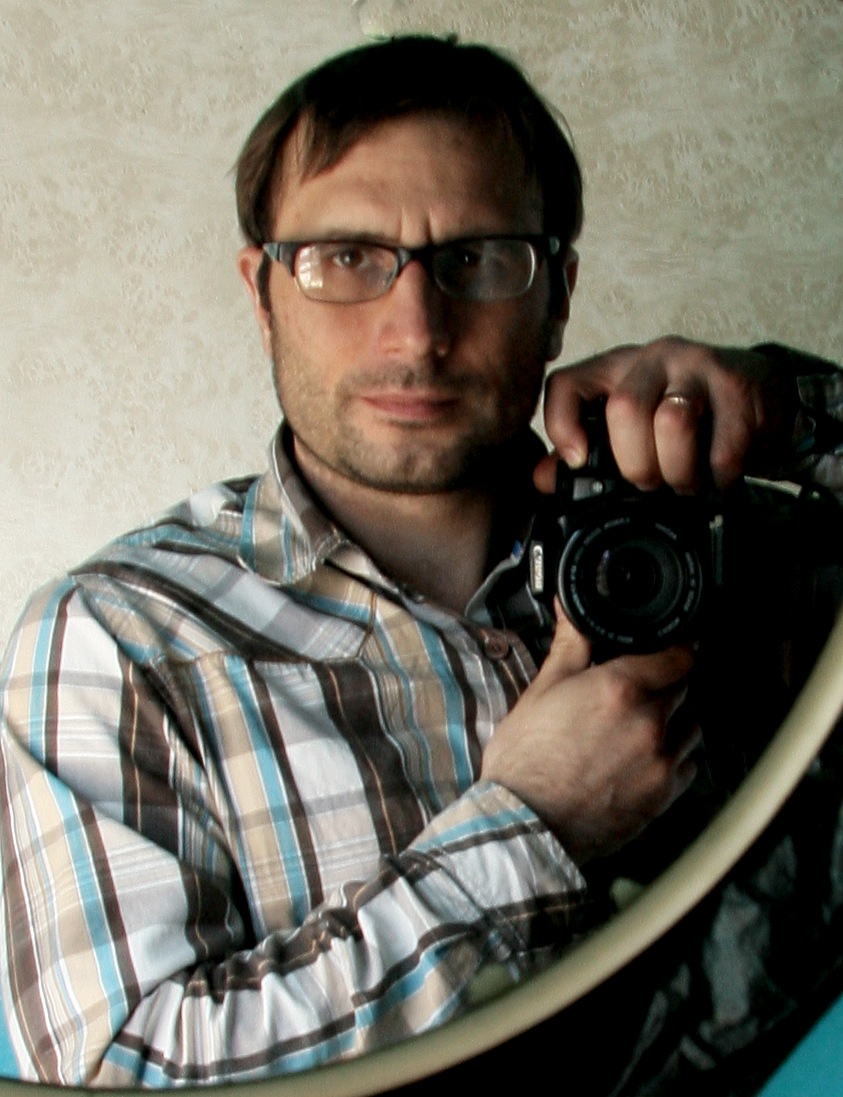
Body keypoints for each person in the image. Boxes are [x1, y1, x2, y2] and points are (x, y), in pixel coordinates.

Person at [0, 34, 841, 1091]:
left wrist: (787, 413)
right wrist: (532, 826)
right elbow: (118, 1073)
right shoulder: (123, 637)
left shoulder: (714, 546)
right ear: (262, 292)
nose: (415, 333)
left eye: (476, 259)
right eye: (346, 258)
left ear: (558, 292)